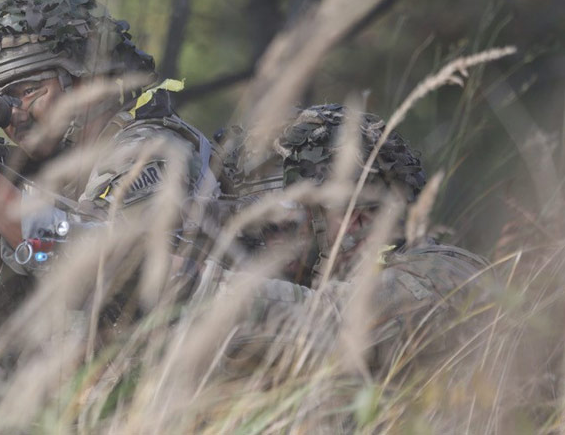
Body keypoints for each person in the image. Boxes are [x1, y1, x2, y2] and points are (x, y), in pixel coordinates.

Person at [0, 0, 223, 341]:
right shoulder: (46, 178)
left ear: (86, 80)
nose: (13, 115)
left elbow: (107, 274)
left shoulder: (148, 148)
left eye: (29, 91)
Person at [201, 104, 491, 380]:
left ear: (357, 215)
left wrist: (196, 284)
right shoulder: (309, 287)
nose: (266, 236)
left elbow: (332, 320)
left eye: (283, 220)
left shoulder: (443, 276)